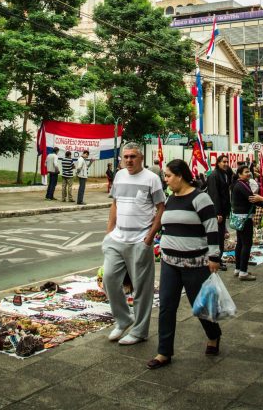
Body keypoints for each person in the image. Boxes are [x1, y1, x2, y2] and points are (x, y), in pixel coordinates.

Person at [147, 159, 221, 369]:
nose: (166, 180)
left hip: (195, 264)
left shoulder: (200, 198)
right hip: (170, 263)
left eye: (168, 176)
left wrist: (214, 257)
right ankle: (164, 352)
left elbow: (212, 227)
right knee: (166, 307)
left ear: (180, 175)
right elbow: (166, 226)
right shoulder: (170, 198)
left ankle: (214, 335)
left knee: (201, 306)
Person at [102, 142, 166, 345]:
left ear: (141, 158)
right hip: (117, 239)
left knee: (142, 288)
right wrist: (109, 232)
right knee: (109, 280)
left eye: (133, 157)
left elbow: (161, 208)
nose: (129, 160)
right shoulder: (119, 176)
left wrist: (149, 238)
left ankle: (139, 331)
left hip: (140, 240)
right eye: (126, 156)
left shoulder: (152, 179)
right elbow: (115, 204)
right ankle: (123, 319)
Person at [232, 165, 259, 281]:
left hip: (239, 217)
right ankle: (243, 271)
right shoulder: (241, 185)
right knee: (247, 244)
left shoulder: (239, 184)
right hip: (245, 218)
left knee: (240, 243)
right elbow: (251, 198)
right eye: (246, 172)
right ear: (239, 174)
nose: (249, 174)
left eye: (249, 172)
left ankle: (238, 269)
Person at [207, 154, 232, 271]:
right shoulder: (214, 176)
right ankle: (216, 259)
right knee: (217, 238)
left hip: (223, 211)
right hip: (218, 213)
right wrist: (218, 213)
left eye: (227, 162)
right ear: (218, 163)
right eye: (224, 162)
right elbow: (214, 195)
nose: (226, 164)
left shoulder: (225, 174)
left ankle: (219, 258)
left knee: (221, 237)